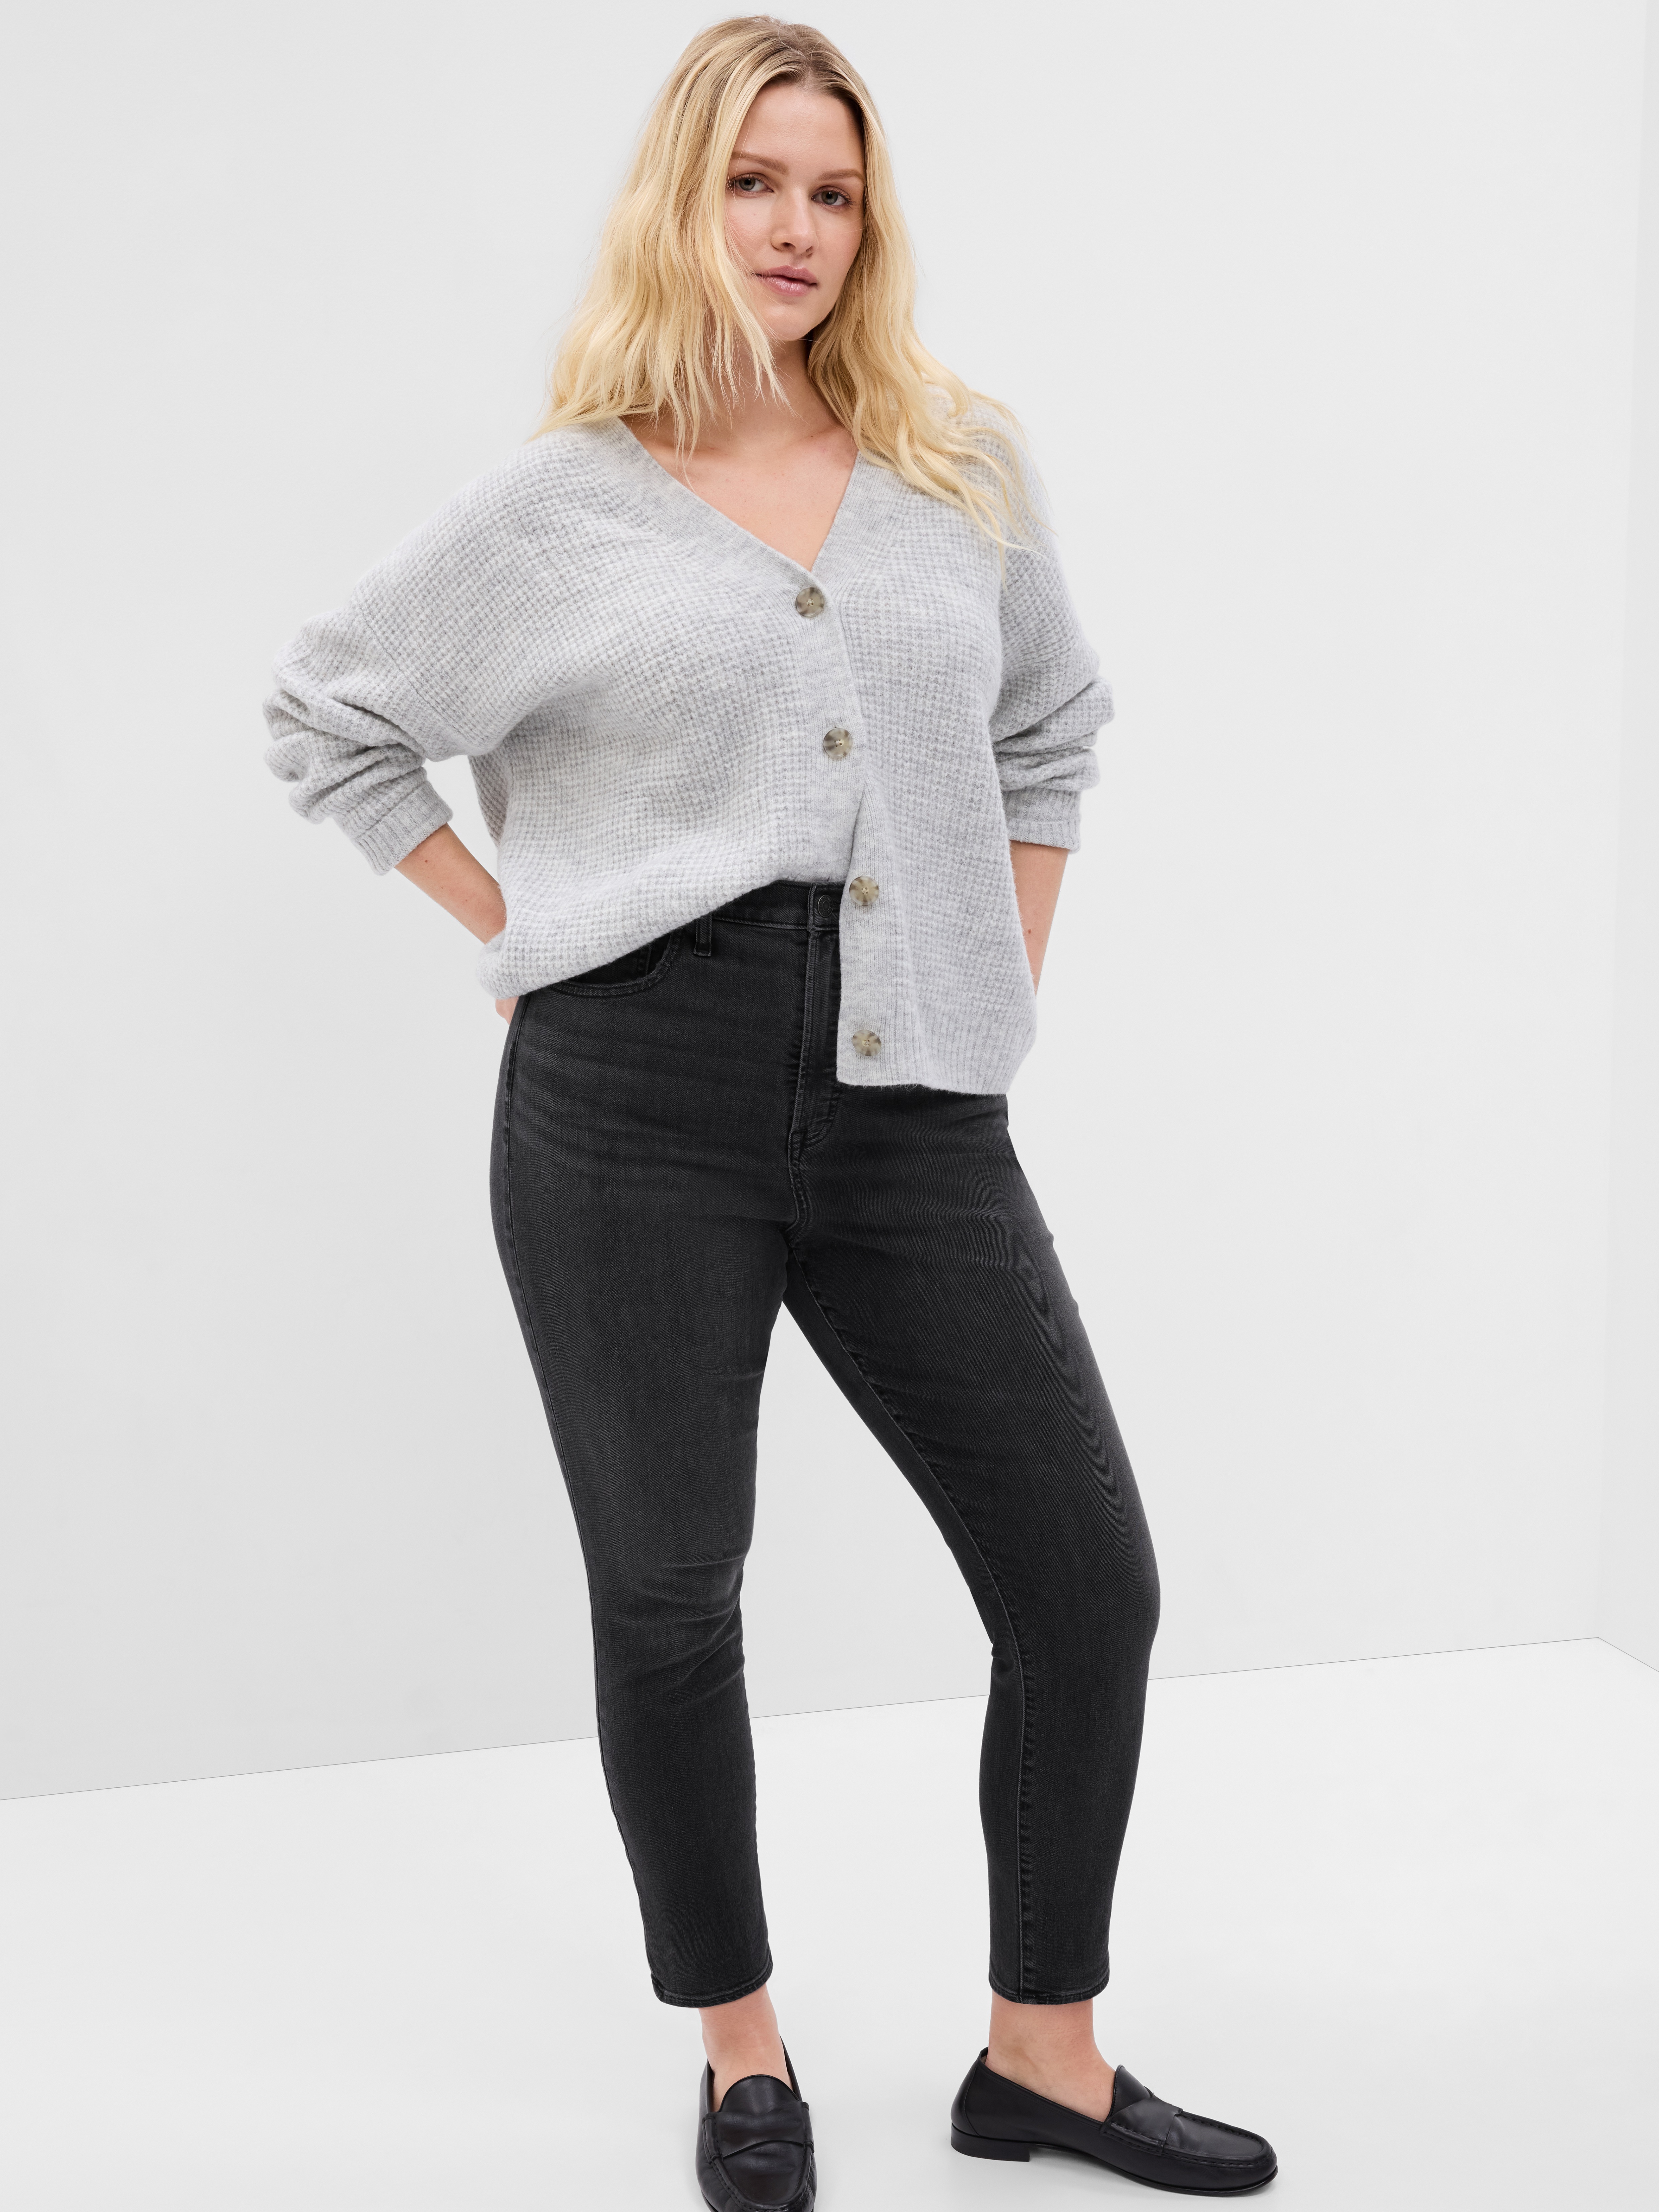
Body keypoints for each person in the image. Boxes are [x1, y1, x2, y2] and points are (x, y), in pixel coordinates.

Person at [263, 15, 1277, 2204]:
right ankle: (740, 2049)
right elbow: (328, 716)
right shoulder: (562, 499)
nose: (796, 226)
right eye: (753, 182)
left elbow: (1047, 730)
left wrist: (990, 983)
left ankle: (1042, 2056)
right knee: (670, 1591)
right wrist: (525, 926)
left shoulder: (957, 463)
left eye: (832, 190)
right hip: (629, 1094)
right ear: (682, 200)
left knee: (1085, 1581)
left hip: (916, 1097)